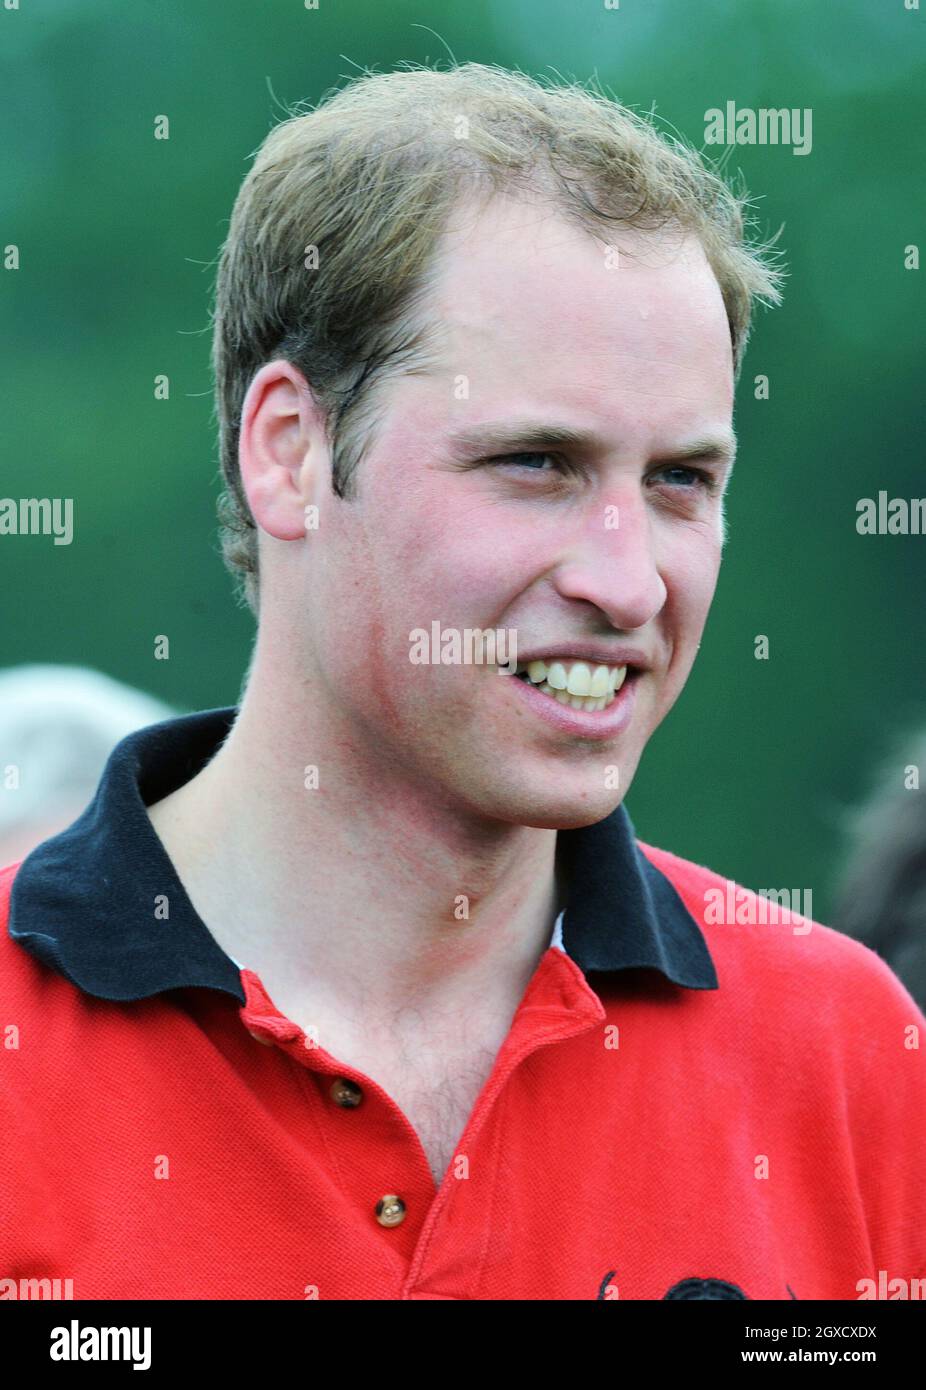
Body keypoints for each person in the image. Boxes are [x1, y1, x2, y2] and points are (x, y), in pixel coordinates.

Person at [2, 61, 923, 1303]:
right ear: (289, 450)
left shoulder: (850, 1057)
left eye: (679, 482)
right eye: (536, 462)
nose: (630, 583)